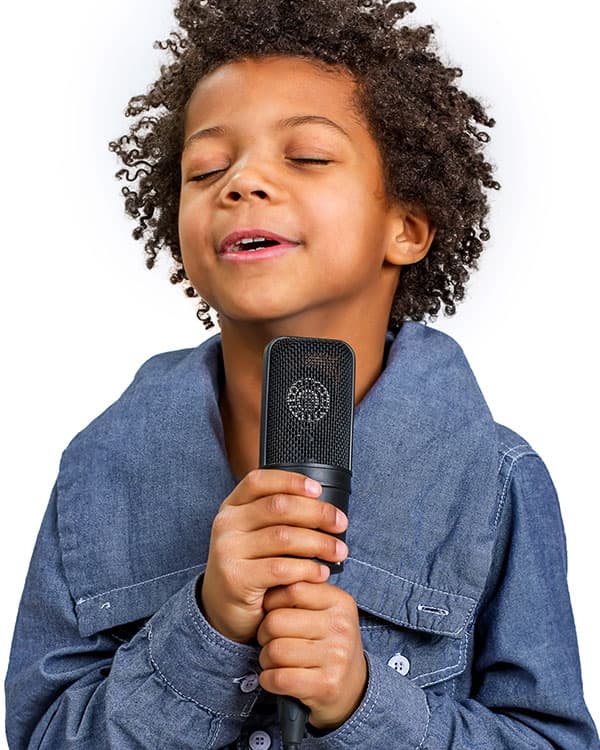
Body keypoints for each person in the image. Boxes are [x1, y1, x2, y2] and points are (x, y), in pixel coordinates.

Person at [5, 0, 599, 747]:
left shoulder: (494, 479)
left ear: (407, 227)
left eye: (308, 156)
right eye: (207, 167)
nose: (242, 182)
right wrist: (208, 627)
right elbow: (42, 733)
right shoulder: (100, 472)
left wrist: (364, 702)